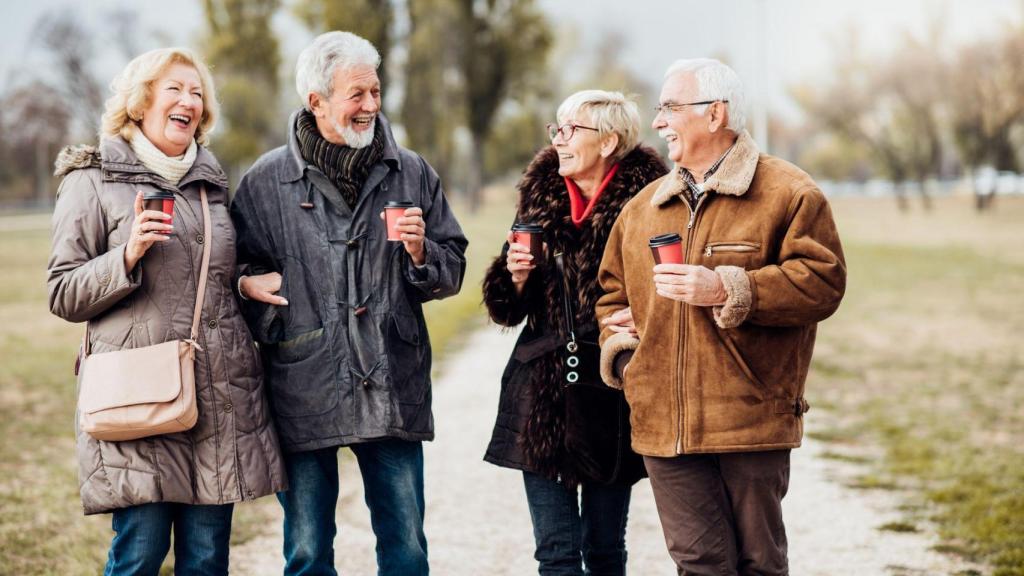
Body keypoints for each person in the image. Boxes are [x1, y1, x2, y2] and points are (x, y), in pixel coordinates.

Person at [595, 59, 847, 575]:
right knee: (699, 564)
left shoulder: (790, 193)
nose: (659, 121)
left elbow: (823, 283)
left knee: (760, 564)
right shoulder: (642, 210)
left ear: (716, 114)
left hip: (750, 419)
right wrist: (624, 358)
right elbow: (611, 298)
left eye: (669, 107)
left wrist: (730, 287)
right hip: (663, 426)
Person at [230, 31, 467, 576]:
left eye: (375, 92)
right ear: (315, 101)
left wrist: (419, 250)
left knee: (406, 545)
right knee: (308, 551)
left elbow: (451, 268)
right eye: (355, 95)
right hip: (303, 383)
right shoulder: (266, 182)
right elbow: (234, 273)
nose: (370, 107)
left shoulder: (411, 170)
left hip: (391, 381)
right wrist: (250, 286)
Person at [47, 47, 286, 575]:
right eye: (174, 88)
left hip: (216, 398)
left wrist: (245, 282)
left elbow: (209, 275)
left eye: (197, 92)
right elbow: (62, 292)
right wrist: (127, 254)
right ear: (140, 103)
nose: (189, 101)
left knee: (206, 561)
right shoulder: (92, 180)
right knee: (140, 555)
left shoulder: (210, 185)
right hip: (139, 400)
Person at [482, 90, 666, 575]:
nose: (559, 140)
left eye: (571, 130)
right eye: (556, 129)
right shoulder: (539, 195)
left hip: (612, 389)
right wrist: (515, 276)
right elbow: (506, 310)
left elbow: (666, 288)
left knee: (605, 550)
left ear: (608, 142)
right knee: (556, 553)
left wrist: (641, 318)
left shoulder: (651, 203)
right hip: (542, 392)